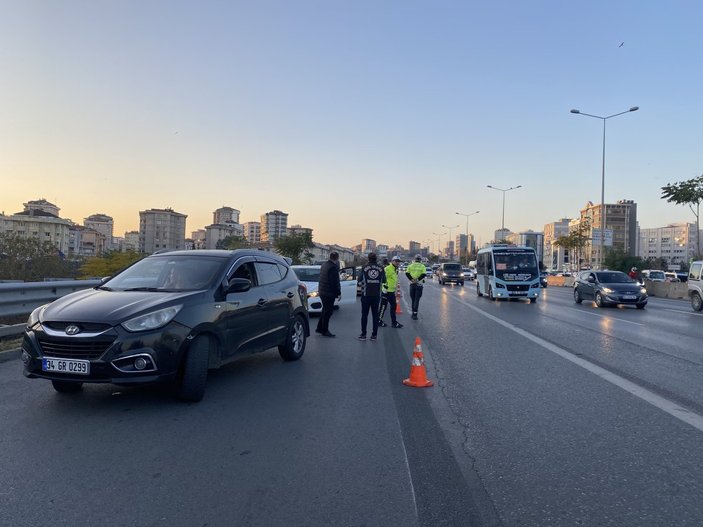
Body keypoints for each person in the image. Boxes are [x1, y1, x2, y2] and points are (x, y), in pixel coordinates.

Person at [357, 252, 386, 341]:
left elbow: (359, 279)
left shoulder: (364, 267)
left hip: (366, 295)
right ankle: (374, 335)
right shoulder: (381, 268)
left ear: (368, 259)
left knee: (364, 315)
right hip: (376, 295)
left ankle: (363, 335)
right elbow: (384, 280)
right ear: (376, 259)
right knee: (375, 315)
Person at [316, 252, 341, 337]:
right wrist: (338, 293)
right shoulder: (333, 268)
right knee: (328, 312)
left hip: (322, 291)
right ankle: (325, 330)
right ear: (337, 258)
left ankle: (319, 328)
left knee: (325, 310)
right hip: (328, 293)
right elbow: (333, 282)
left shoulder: (324, 265)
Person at [378, 256, 403, 328]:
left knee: (394, 306)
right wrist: (384, 287)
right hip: (386, 291)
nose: (398, 263)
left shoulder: (395, 269)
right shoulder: (388, 269)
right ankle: (379, 321)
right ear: (392, 261)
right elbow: (382, 278)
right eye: (396, 261)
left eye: (399, 261)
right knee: (383, 307)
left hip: (391, 291)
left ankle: (394, 323)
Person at [405, 254, 427, 320]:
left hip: (412, 284)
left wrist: (412, 279)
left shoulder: (410, 265)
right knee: (417, 300)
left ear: (415, 259)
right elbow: (424, 274)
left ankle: (413, 313)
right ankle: (415, 314)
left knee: (413, 300)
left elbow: (407, 273)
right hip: (419, 285)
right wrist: (417, 280)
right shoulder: (422, 266)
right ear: (420, 260)